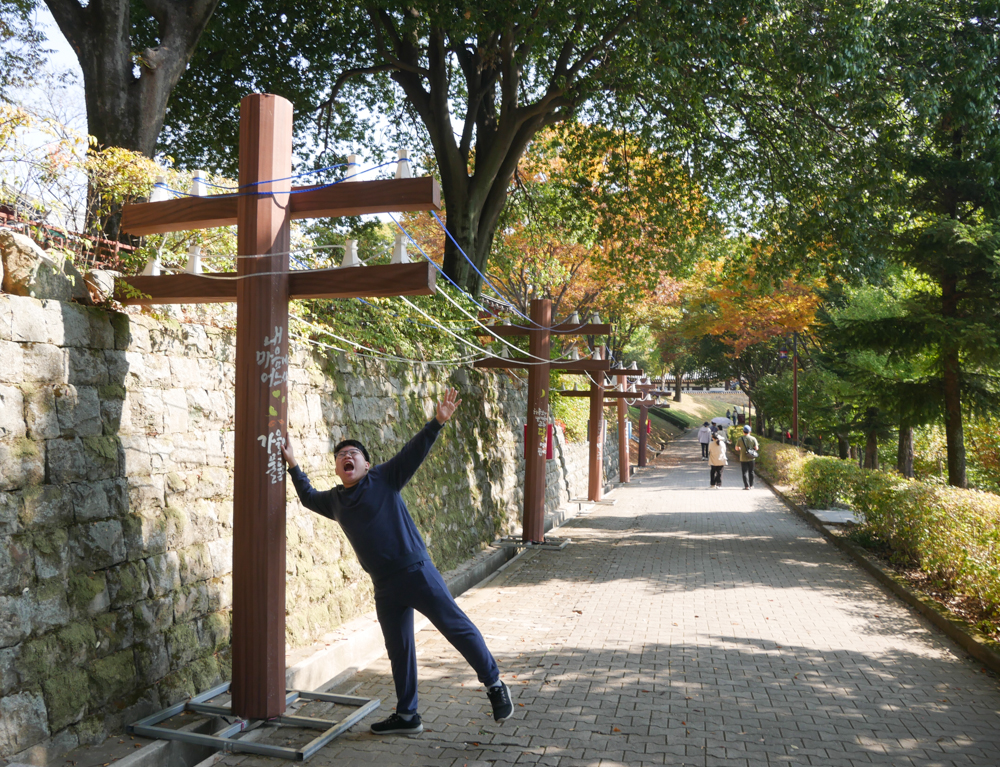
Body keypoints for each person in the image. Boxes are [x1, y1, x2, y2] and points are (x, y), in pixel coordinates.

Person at [280, 388, 513, 734]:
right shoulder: (335, 501)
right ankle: (407, 716)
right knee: (399, 650)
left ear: (366, 464)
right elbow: (307, 496)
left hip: (416, 572)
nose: (347, 456)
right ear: (338, 468)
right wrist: (293, 464)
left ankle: (494, 684)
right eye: (341, 455)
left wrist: (437, 422)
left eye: (354, 453)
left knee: (454, 626)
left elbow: (412, 452)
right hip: (385, 587)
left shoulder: (384, 478)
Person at [735, 424, 759, 490]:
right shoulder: (753, 438)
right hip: (751, 458)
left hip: (743, 458)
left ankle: (746, 486)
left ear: (743, 431)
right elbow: (756, 448)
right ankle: (751, 485)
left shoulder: (740, 439)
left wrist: (740, 448)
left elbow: (736, 448)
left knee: (744, 472)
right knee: (751, 471)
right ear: (750, 431)